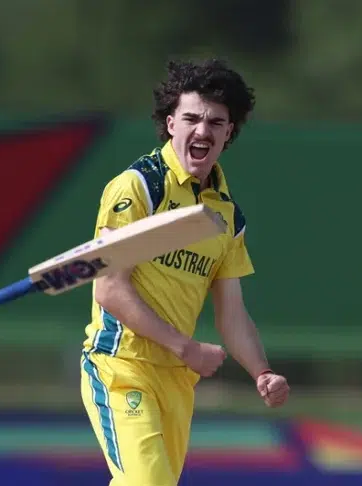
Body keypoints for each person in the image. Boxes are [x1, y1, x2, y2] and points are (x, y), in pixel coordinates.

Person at [80, 59, 291, 486]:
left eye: (216, 122)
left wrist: (262, 372)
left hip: (177, 381)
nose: (203, 131)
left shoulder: (227, 215)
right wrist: (186, 346)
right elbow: (109, 289)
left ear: (229, 132)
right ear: (170, 123)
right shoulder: (139, 187)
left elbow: (232, 314)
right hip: (121, 367)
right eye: (192, 118)